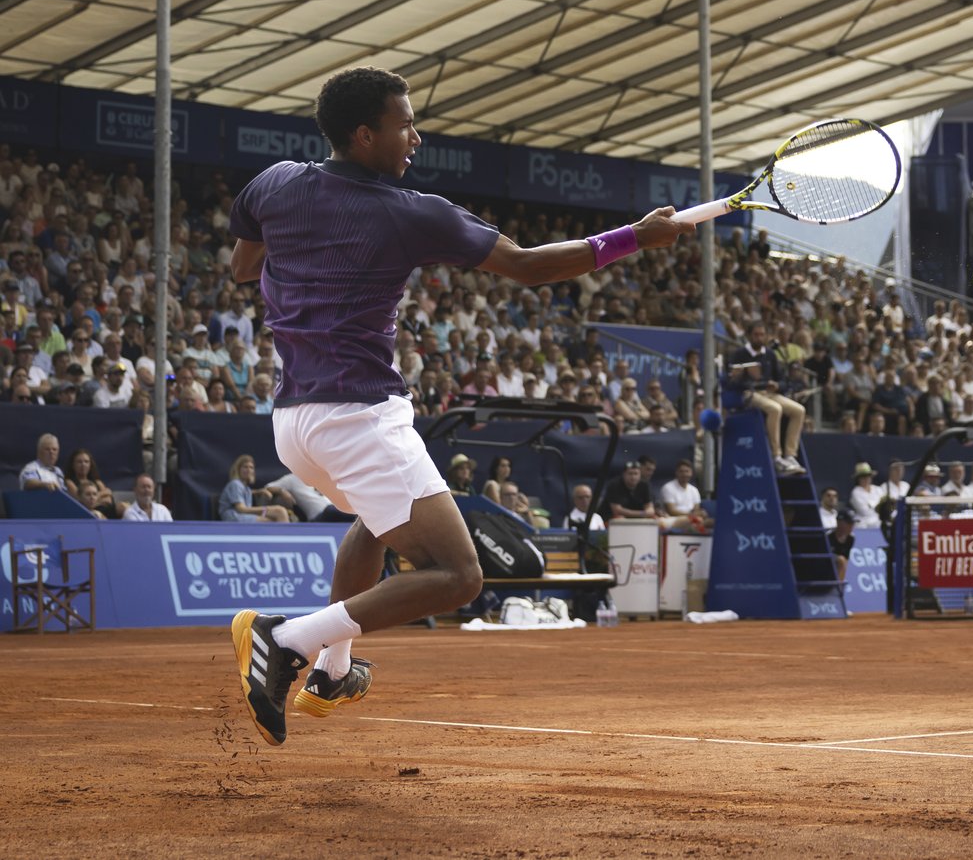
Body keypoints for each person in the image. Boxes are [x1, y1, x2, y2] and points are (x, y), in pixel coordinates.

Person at [224, 67, 690, 746]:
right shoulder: (412, 212)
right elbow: (528, 264)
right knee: (459, 576)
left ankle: (332, 670)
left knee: (376, 524)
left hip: (293, 424)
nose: (416, 134)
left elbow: (243, 266)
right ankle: (286, 637)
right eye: (404, 122)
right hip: (358, 416)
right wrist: (633, 239)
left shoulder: (274, 182)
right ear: (363, 134)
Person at [725, 322, 806, 474]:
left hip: (770, 393)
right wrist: (747, 377)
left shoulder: (770, 354)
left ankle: (790, 455)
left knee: (799, 410)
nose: (759, 338)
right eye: (756, 335)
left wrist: (777, 385)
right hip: (749, 393)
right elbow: (732, 382)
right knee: (775, 409)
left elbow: (783, 380)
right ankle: (776, 456)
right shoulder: (739, 354)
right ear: (749, 336)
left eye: (762, 335)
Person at [219, 454, 293, 523]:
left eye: (251, 467)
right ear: (238, 469)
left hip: (243, 516)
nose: (248, 470)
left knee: (279, 513)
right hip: (233, 517)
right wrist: (267, 510)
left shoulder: (245, 487)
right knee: (279, 512)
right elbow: (241, 509)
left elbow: (245, 492)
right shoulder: (235, 484)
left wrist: (260, 491)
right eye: (245, 467)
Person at [266, 471, 357, 523]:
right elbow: (268, 487)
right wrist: (282, 491)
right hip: (318, 518)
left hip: (336, 513)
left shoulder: (322, 477)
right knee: (331, 510)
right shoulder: (291, 479)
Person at [65, 448, 122, 519]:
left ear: (90, 464)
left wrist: (91, 500)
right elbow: (80, 501)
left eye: (86, 462)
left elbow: (108, 499)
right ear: (73, 465)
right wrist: (100, 497)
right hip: (86, 512)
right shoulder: (69, 482)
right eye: (79, 462)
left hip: (104, 510)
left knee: (123, 507)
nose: (83, 465)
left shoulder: (98, 482)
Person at [659, 459, 709, 532]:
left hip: (693, 519)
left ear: (691, 473)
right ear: (676, 473)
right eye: (681, 471)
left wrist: (699, 513)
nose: (684, 474)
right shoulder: (668, 487)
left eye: (687, 471)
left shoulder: (694, 490)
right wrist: (692, 515)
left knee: (713, 521)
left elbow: (696, 509)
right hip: (673, 519)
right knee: (693, 521)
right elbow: (671, 511)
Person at [828, 510, 856, 586]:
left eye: (853, 523)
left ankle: (839, 588)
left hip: (838, 567)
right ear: (839, 522)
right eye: (849, 523)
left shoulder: (851, 539)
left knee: (842, 561)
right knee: (841, 560)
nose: (851, 526)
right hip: (824, 565)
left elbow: (846, 560)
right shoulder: (827, 537)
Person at [848, 462, 880, 527]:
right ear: (858, 479)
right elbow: (865, 511)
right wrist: (878, 506)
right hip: (863, 525)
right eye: (862, 477)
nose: (866, 479)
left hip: (879, 523)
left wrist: (871, 506)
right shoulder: (856, 492)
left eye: (868, 476)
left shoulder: (878, 489)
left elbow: (884, 507)